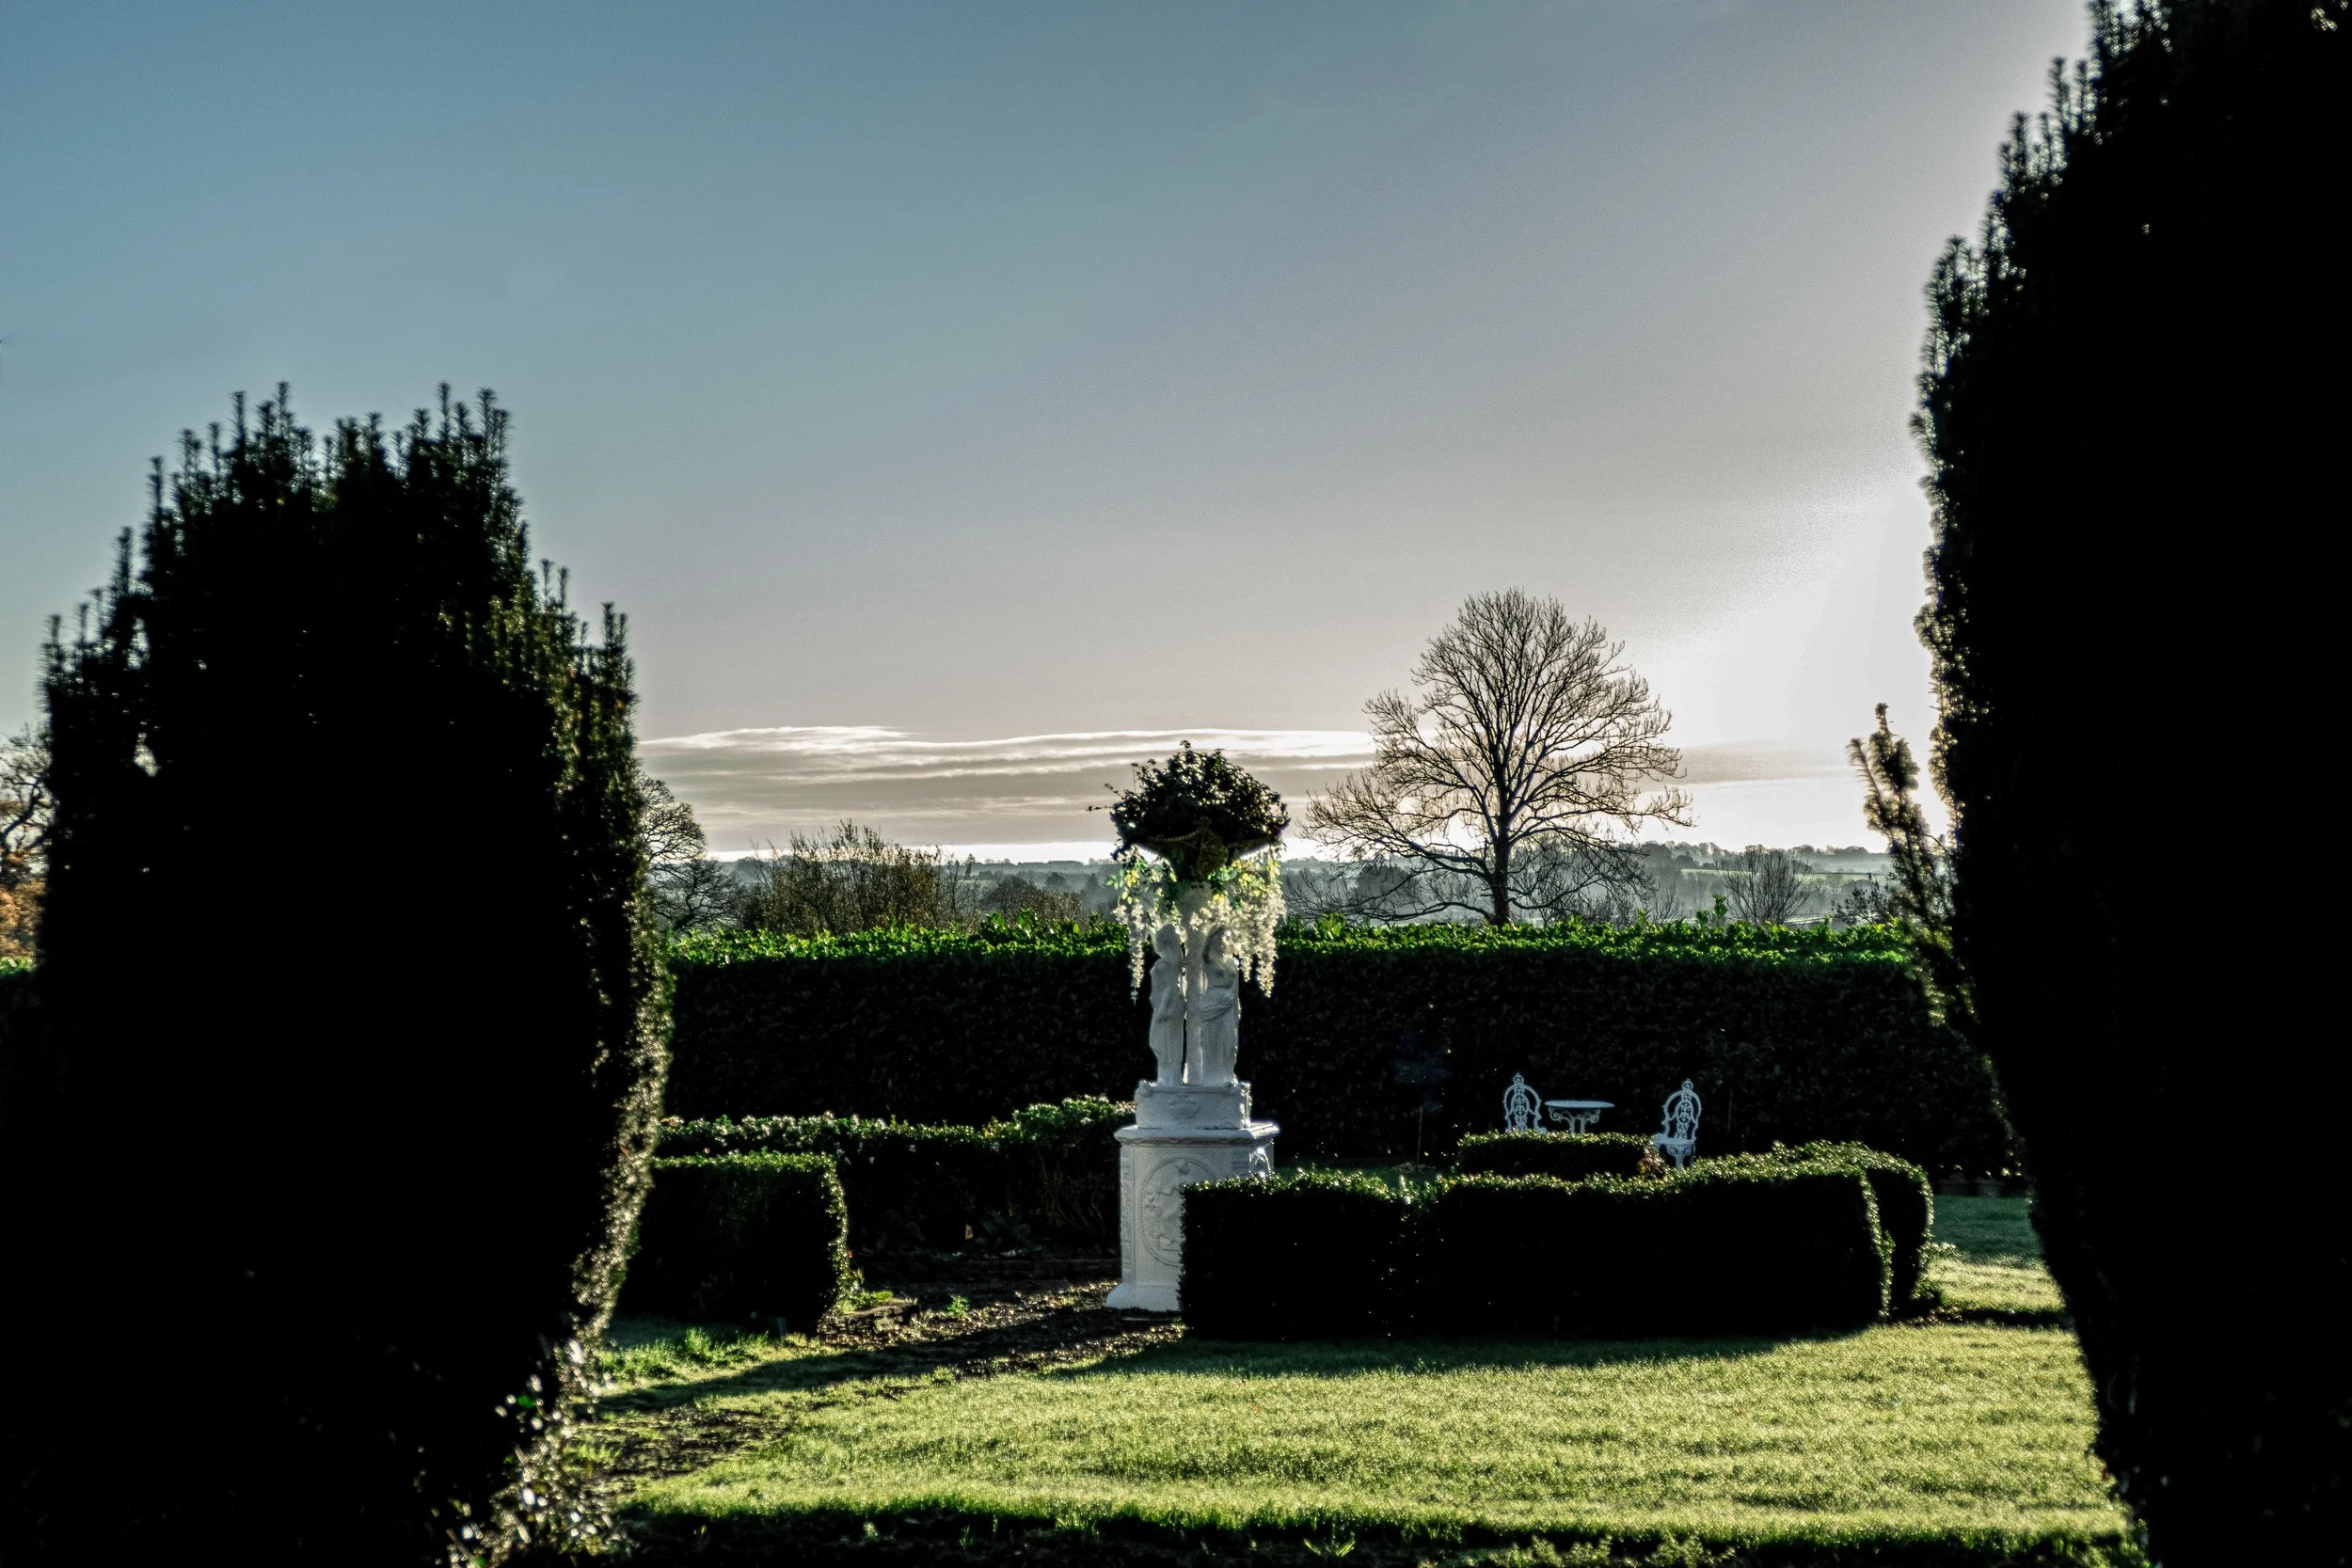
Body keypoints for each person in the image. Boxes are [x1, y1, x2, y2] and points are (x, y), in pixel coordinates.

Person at [1187, 927, 1241, 1086]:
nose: (1221, 944)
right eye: (1217, 941)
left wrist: (1237, 1005)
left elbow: (1236, 987)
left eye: (1223, 941)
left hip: (1229, 1003)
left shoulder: (1232, 962)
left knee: (1230, 1044)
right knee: (1212, 1041)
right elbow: (1203, 953)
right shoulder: (1209, 960)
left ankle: (1227, 1076)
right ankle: (1212, 1079)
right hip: (1213, 1001)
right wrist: (1211, 932)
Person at [1147, 924, 1186, 1085]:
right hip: (1166, 1004)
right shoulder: (1168, 962)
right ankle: (1168, 1077)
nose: (1157, 943)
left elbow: (1170, 987)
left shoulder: (1167, 963)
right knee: (1167, 1041)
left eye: (1159, 939)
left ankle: (1170, 1078)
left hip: (1167, 1006)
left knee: (1164, 1042)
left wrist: (1163, 1009)